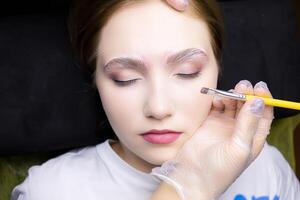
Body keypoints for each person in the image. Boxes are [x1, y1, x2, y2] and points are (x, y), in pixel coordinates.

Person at [11, 0, 300, 200]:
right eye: (125, 77)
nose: (159, 108)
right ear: (95, 79)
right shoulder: (54, 190)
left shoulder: (265, 166)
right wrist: (191, 185)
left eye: (188, 73)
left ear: (217, 69)